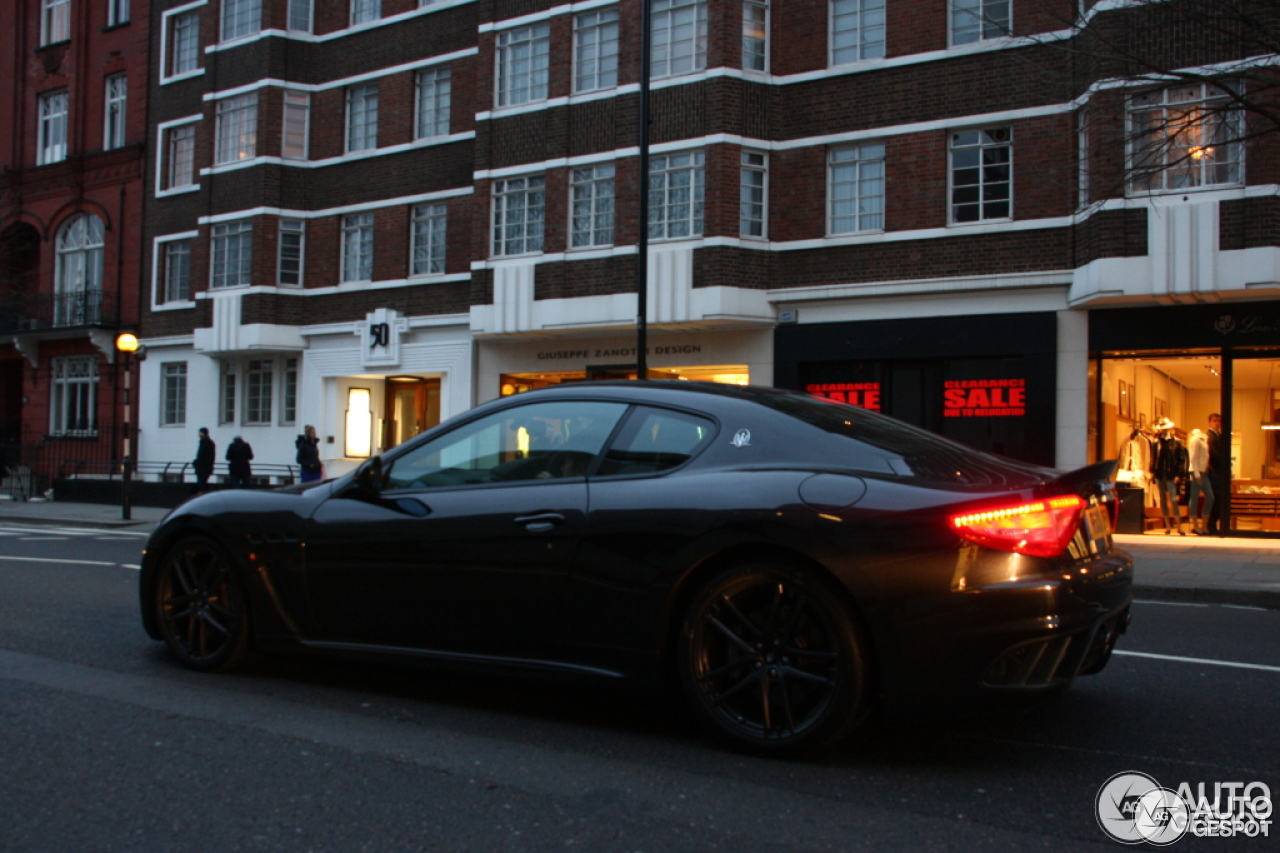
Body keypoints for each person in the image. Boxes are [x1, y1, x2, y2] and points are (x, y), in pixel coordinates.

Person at [1151, 417, 1188, 535]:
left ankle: (1178, 526)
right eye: (1162, 429)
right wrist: (1152, 471)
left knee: (1173, 499)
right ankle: (1167, 525)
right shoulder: (1157, 442)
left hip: (1171, 474)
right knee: (1162, 499)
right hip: (1160, 474)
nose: (1163, 431)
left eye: (1165, 428)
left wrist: (1179, 474)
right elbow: (1154, 458)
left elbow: (1181, 460)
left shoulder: (1176, 442)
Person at [1187, 428, 1214, 535]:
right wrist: (1196, 473)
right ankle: (1195, 525)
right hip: (1196, 471)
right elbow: (1193, 458)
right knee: (1194, 497)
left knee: (1210, 497)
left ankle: (1203, 525)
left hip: (1203, 471)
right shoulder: (1195, 439)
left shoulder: (1203, 439)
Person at [1206, 412, 1224, 535]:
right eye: (1215, 420)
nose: (1217, 423)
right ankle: (1211, 525)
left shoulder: (1218, 435)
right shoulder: (1210, 436)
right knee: (1215, 499)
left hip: (1218, 472)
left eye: (1219, 421)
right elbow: (1213, 454)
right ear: (1210, 422)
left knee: (1218, 500)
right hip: (1214, 472)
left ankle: (1213, 524)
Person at [193, 427, 216, 493]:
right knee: (202, 483)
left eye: (200, 432)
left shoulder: (206, 443)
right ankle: (201, 493)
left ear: (203, 433)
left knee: (201, 483)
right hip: (204, 467)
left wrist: (197, 462)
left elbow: (205, 455)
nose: (199, 434)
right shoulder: (207, 442)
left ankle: (201, 494)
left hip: (203, 467)